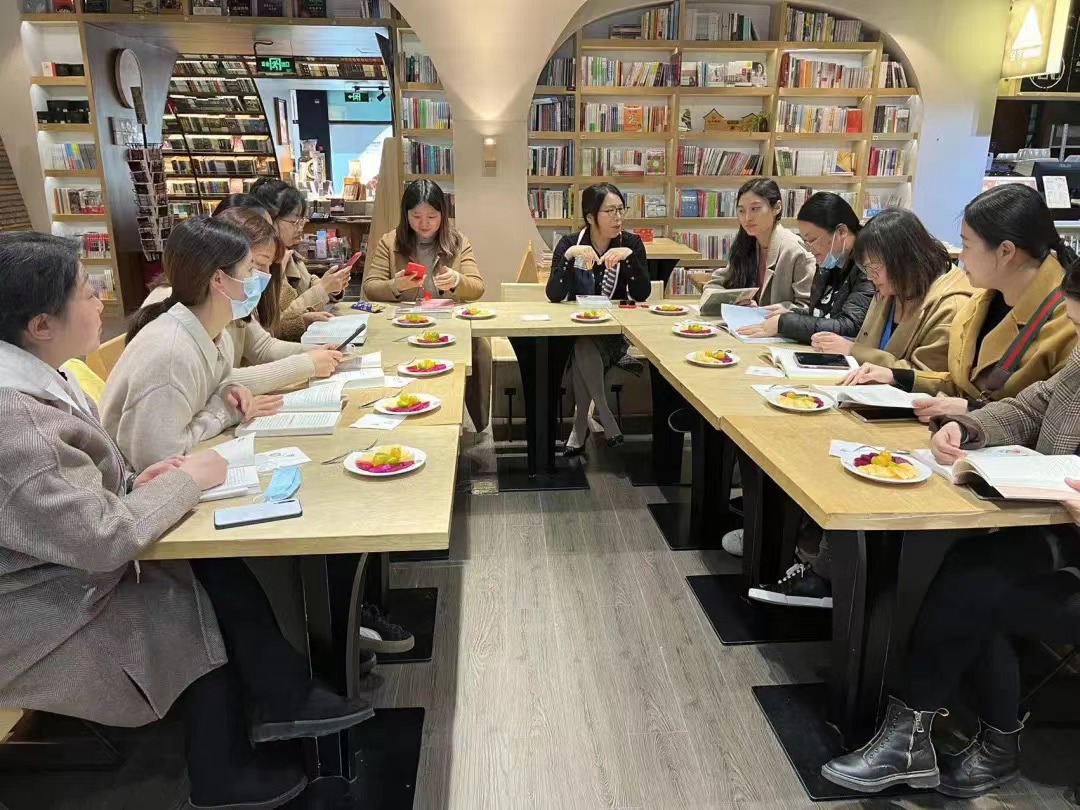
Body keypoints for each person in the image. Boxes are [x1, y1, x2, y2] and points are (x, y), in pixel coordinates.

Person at [0, 232, 373, 810]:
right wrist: (185, 478)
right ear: (41, 325)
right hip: (39, 608)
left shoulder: (44, 379)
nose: (101, 298)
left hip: (64, 565)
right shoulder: (18, 420)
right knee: (189, 589)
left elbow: (85, 489)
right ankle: (222, 770)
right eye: (85, 291)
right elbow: (101, 537)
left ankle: (282, 699)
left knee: (209, 567)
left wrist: (136, 483)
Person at [821, 258, 1080, 796]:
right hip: (1060, 534)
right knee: (968, 565)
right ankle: (949, 740)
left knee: (972, 588)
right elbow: (1030, 407)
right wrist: (967, 426)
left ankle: (933, 741)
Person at [742, 208, 973, 607]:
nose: (872, 278)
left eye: (876, 269)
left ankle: (827, 576)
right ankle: (804, 550)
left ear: (904, 259)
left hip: (912, 421)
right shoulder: (892, 290)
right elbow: (865, 346)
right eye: (867, 269)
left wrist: (865, 358)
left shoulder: (949, 301)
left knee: (841, 462)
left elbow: (928, 376)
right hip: (868, 404)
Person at [845, 184, 1079, 423]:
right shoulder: (984, 300)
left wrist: (972, 409)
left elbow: (1057, 421)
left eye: (966, 245)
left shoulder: (1069, 320)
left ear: (1005, 252)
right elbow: (964, 384)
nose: (962, 257)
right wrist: (898, 376)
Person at [100, 217, 283, 473]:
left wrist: (229, 390)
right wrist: (224, 413)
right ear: (218, 279)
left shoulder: (217, 335)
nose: (258, 279)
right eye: (250, 269)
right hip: (139, 486)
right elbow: (162, 462)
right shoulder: (169, 354)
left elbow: (208, 389)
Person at [143, 207, 343, 393]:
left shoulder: (229, 298)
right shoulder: (184, 314)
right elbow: (215, 382)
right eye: (254, 265)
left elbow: (260, 348)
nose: (265, 275)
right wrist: (306, 363)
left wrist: (317, 353)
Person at [362, 179, 492, 430]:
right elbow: (370, 287)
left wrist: (456, 280)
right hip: (403, 329)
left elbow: (477, 287)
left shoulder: (457, 242)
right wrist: (396, 285)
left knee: (480, 348)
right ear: (406, 215)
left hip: (449, 329)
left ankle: (474, 424)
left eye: (432, 217)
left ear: (443, 215)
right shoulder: (390, 242)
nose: (424, 224)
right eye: (416, 216)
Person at [546, 182, 651, 454]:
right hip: (574, 330)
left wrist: (630, 259)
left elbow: (642, 294)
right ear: (591, 217)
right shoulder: (570, 244)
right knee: (582, 341)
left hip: (615, 332)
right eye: (610, 211)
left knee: (584, 345)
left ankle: (580, 424)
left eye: (620, 210)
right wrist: (568, 258)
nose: (618, 217)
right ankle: (603, 415)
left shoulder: (630, 243)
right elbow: (554, 295)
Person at [735, 191, 874, 343]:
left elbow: (851, 326)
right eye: (806, 241)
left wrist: (784, 323)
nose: (809, 249)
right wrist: (791, 313)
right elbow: (821, 314)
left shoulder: (869, 266)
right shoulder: (830, 261)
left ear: (841, 232)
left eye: (812, 240)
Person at [251, 179, 352, 342]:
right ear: (270, 219)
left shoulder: (290, 253)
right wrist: (324, 288)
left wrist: (333, 286)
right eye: (295, 222)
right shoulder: (265, 263)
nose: (301, 228)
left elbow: (308, 282)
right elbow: (281, 321)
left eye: (303, 220)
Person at [704, 177, 816, 312]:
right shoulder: (747, 243)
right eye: (741, 211)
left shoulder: (795, 251)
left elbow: (808, 308)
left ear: (777, 207)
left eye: (755, 209)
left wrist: (761, 311)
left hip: (776, 325)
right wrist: (734, 301)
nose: (747, 218)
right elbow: (716, 284)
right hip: (746, 322)